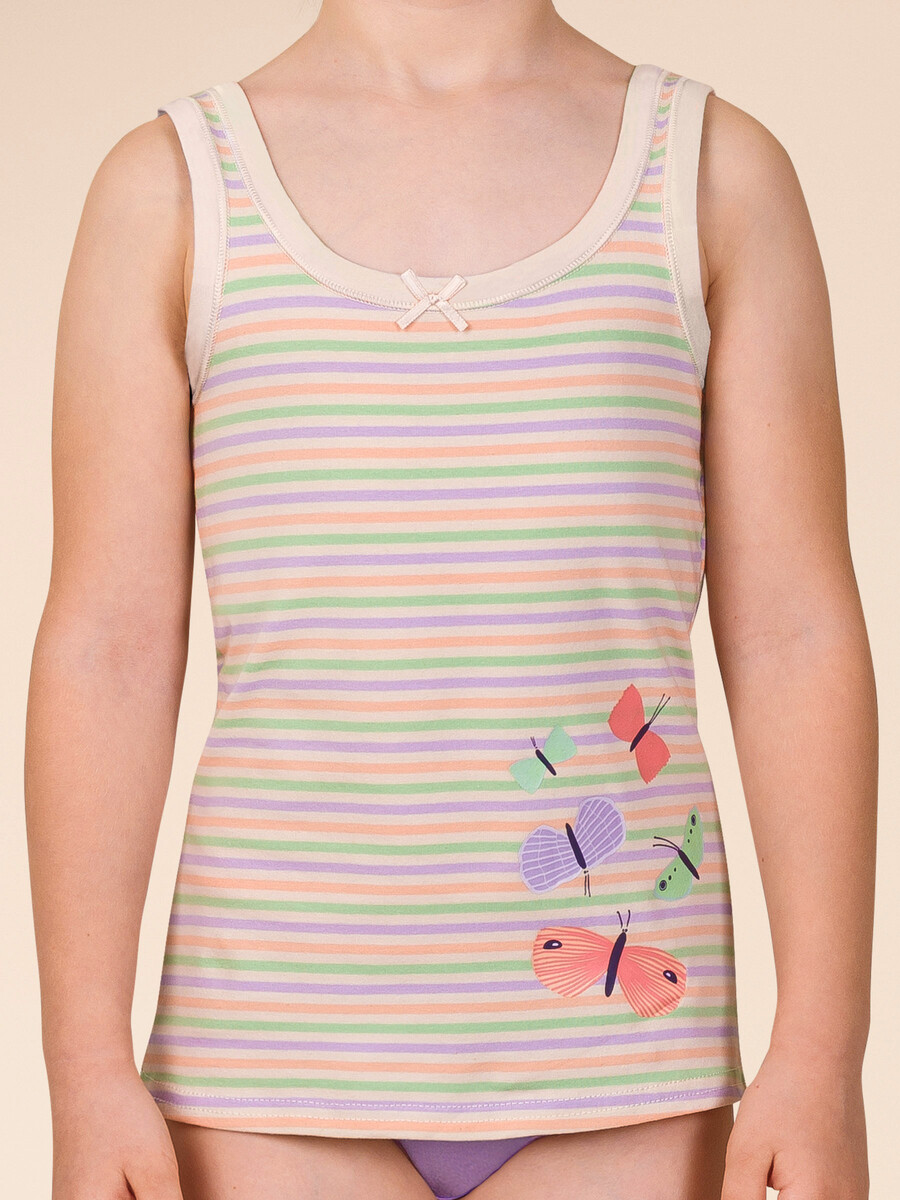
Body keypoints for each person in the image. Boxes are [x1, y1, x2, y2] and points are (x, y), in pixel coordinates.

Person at [24, 2, 877, 1199]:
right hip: (267, 1070)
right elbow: (106, 649)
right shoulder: (170, 190)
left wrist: (824, 1054)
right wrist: (82, 1069)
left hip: (622, 1069)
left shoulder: (713, 179)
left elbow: (794, 633)